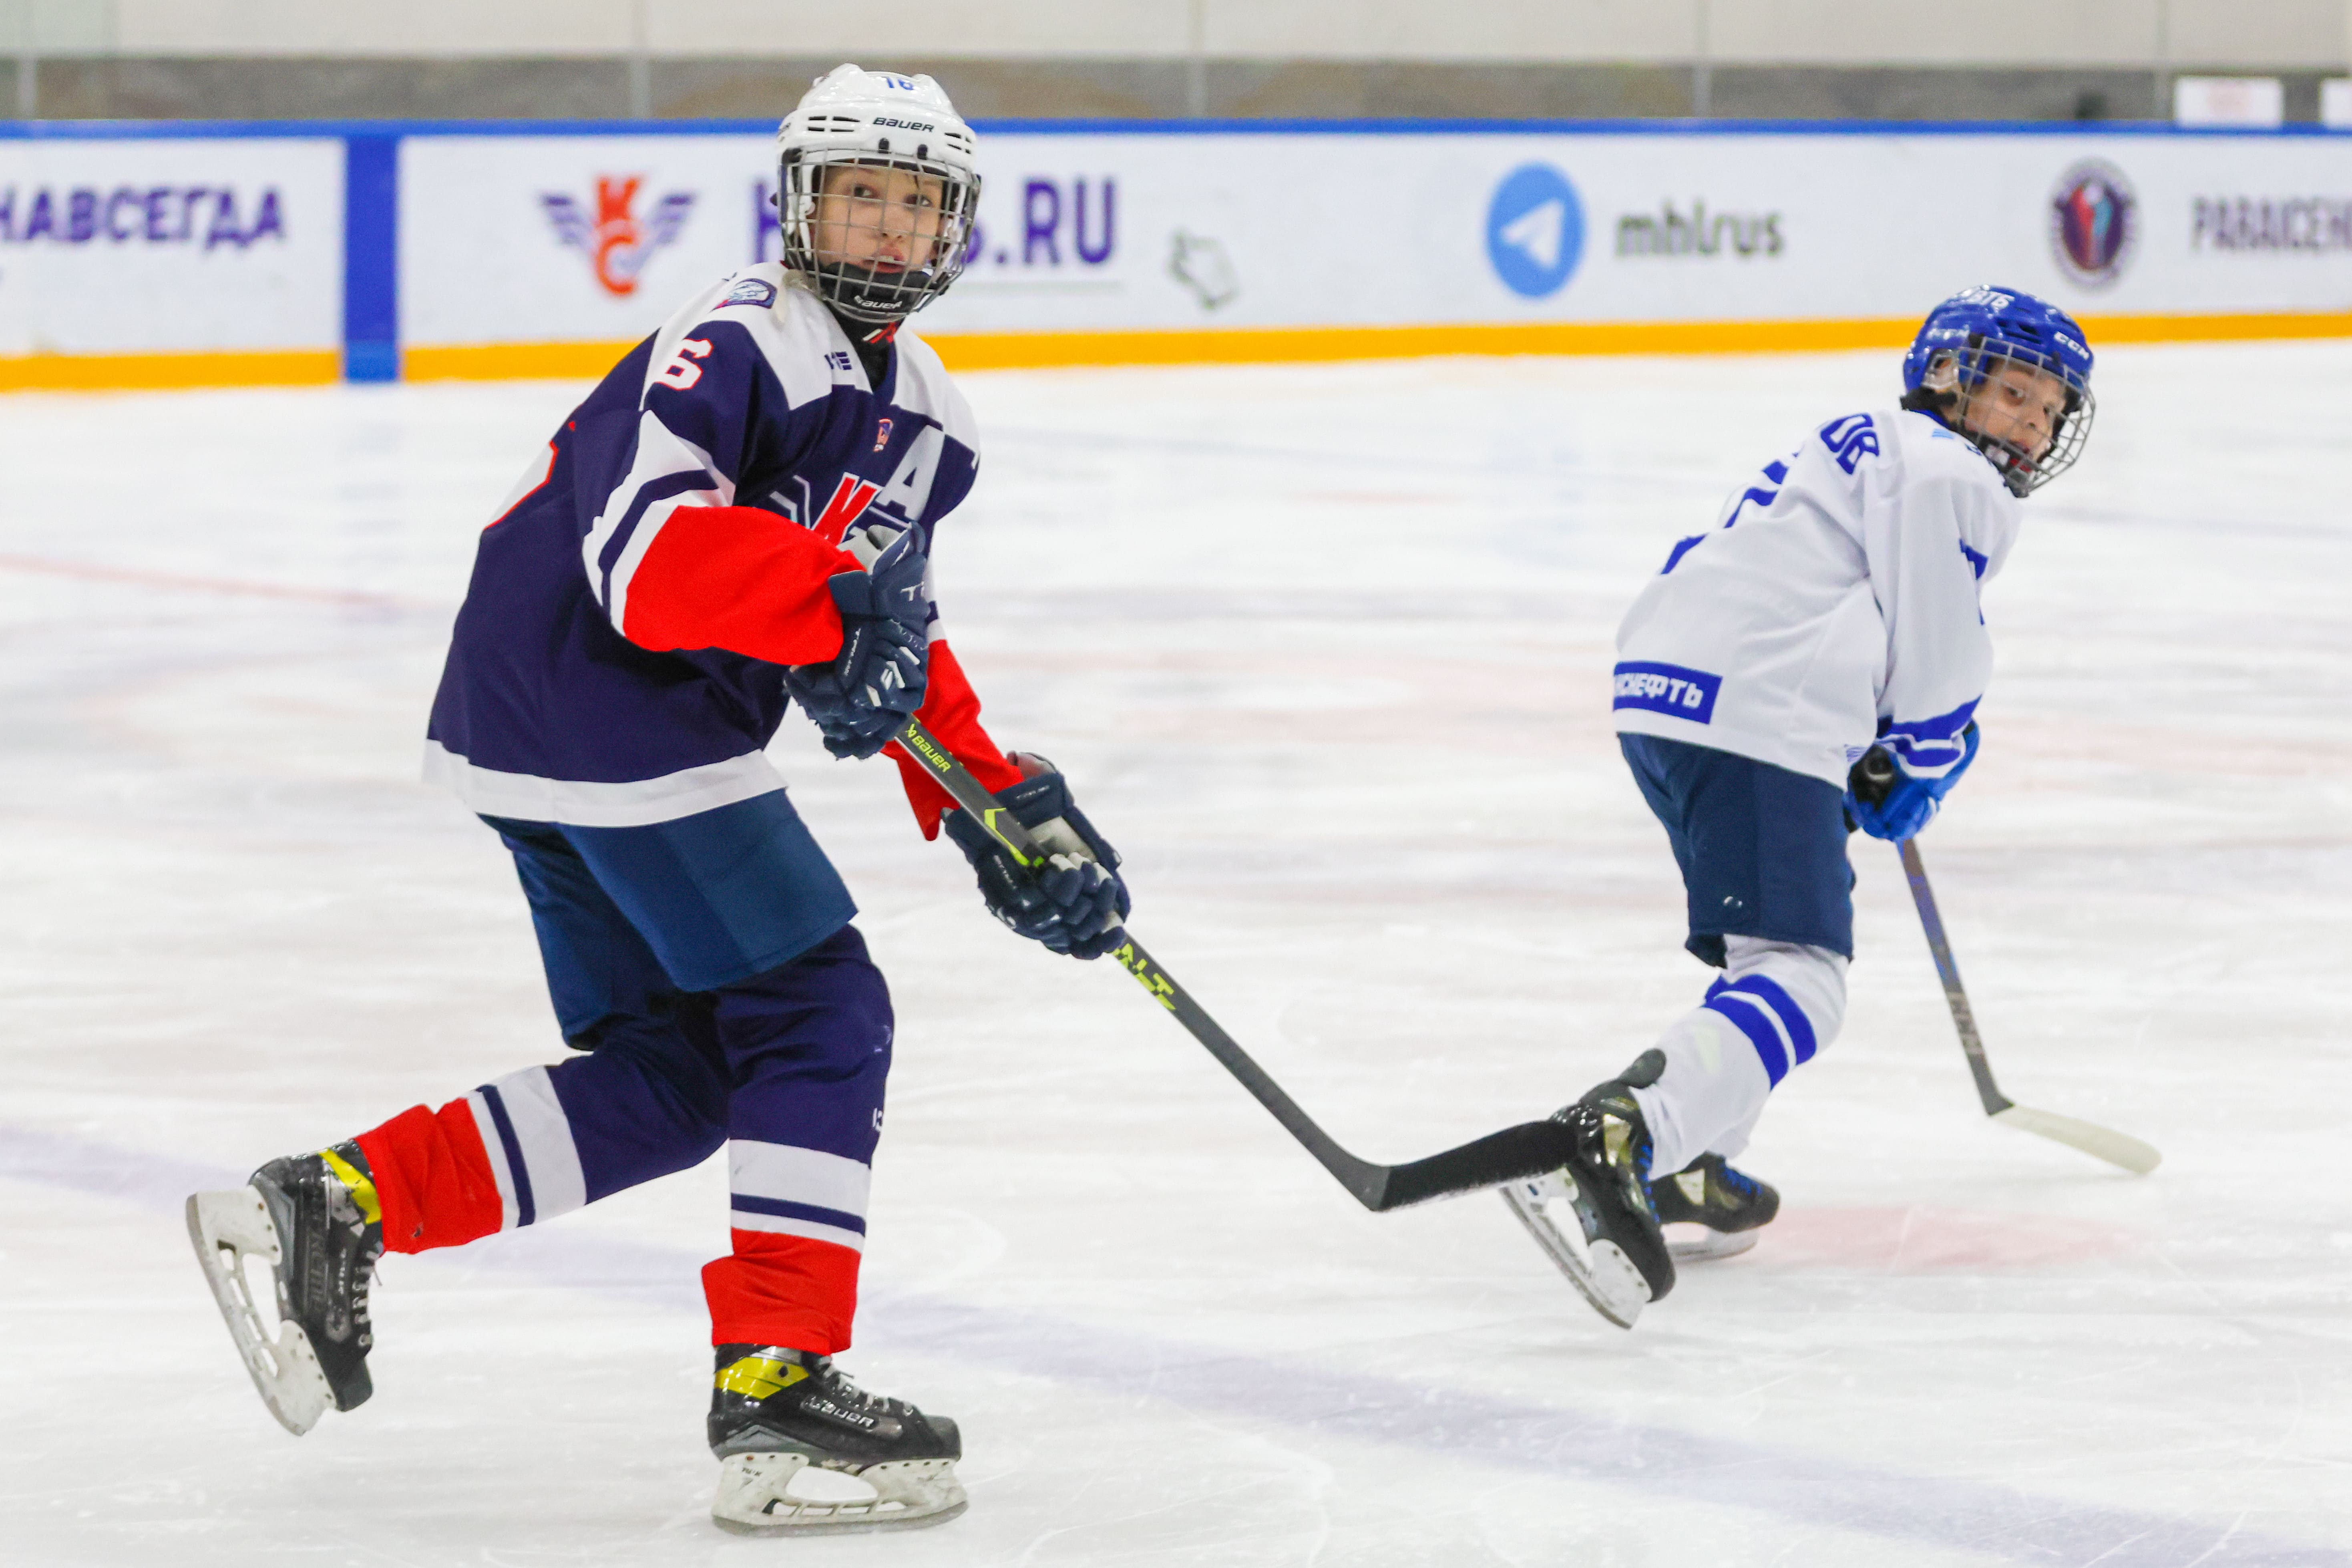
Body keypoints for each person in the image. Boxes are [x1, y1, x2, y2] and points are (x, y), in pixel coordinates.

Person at [187, 65, 1130, 1536]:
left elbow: (893, 637)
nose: (885, 229)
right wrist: (825, 609)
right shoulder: (740, 337)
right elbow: (649, 555)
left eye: (915, 202)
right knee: (825, 1014)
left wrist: (999, 806)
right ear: (802, 201)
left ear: (954, 228)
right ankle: (776, 1375)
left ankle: (341, 1201)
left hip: (559, 727)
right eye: (859, 194)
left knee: (685, 1070)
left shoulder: (929, 424)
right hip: (598, 702)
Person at [1503, 286, 2095, 1329]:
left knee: (1762, 954)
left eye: (2048, 411)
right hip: (1762, 705)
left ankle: (1696, 1154)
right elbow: (1940, 648)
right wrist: (1921, 753)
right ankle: (1628, 1132)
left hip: (1666, 694)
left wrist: (1874, 746)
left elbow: (1844, 597)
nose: (2029, 425)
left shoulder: (1862, 444)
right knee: (1801, 979)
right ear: (1947, 375)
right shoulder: (1951, 470)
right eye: (2013, 392)